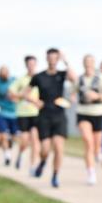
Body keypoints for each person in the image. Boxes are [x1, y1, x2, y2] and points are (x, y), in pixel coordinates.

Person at [26, 48, 76, 188]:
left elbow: (75, 79)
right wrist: (35, 102)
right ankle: (42, 162)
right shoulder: (39, 76)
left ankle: (55, 175)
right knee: (45, 149)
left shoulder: (62, 74)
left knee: (59, 148)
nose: (53, 61)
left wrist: (65, 60)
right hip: (44, 116)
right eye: (51, 58)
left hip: (59, 115)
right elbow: (26, 93)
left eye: (56, 58)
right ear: (47, 59)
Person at [76, 54, 102, 185]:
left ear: (94, 64)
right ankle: (91, 173)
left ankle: (98, 153)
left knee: (96, 145)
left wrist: (97, 96)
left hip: (98, 113)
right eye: (86, 62)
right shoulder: (79, 79)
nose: (88, 64)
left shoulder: (101, 78)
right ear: (83, 63)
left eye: (90, 62)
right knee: (88, 142)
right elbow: (71, 92)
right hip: (83, 113)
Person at [9, 55, 41, 174]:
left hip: (36, 113)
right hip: (23, 113)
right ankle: (21, 153)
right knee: (25, 140)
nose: (31, 66)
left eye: (33, 64)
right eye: (29, 64)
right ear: (26, 65)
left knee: (35, 139)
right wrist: (22, 96)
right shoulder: (21, 80)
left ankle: (33, 166)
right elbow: (11, 94)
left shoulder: (40, 78)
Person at [0, 66, 18, 166]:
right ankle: (7, 155)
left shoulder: (14, 81)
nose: (4, 74)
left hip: (14, 112)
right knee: (3, 135)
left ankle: (9, 146)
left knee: (14, 137)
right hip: (1, 111)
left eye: (6, 72)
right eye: (2, 73)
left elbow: (20, 93)